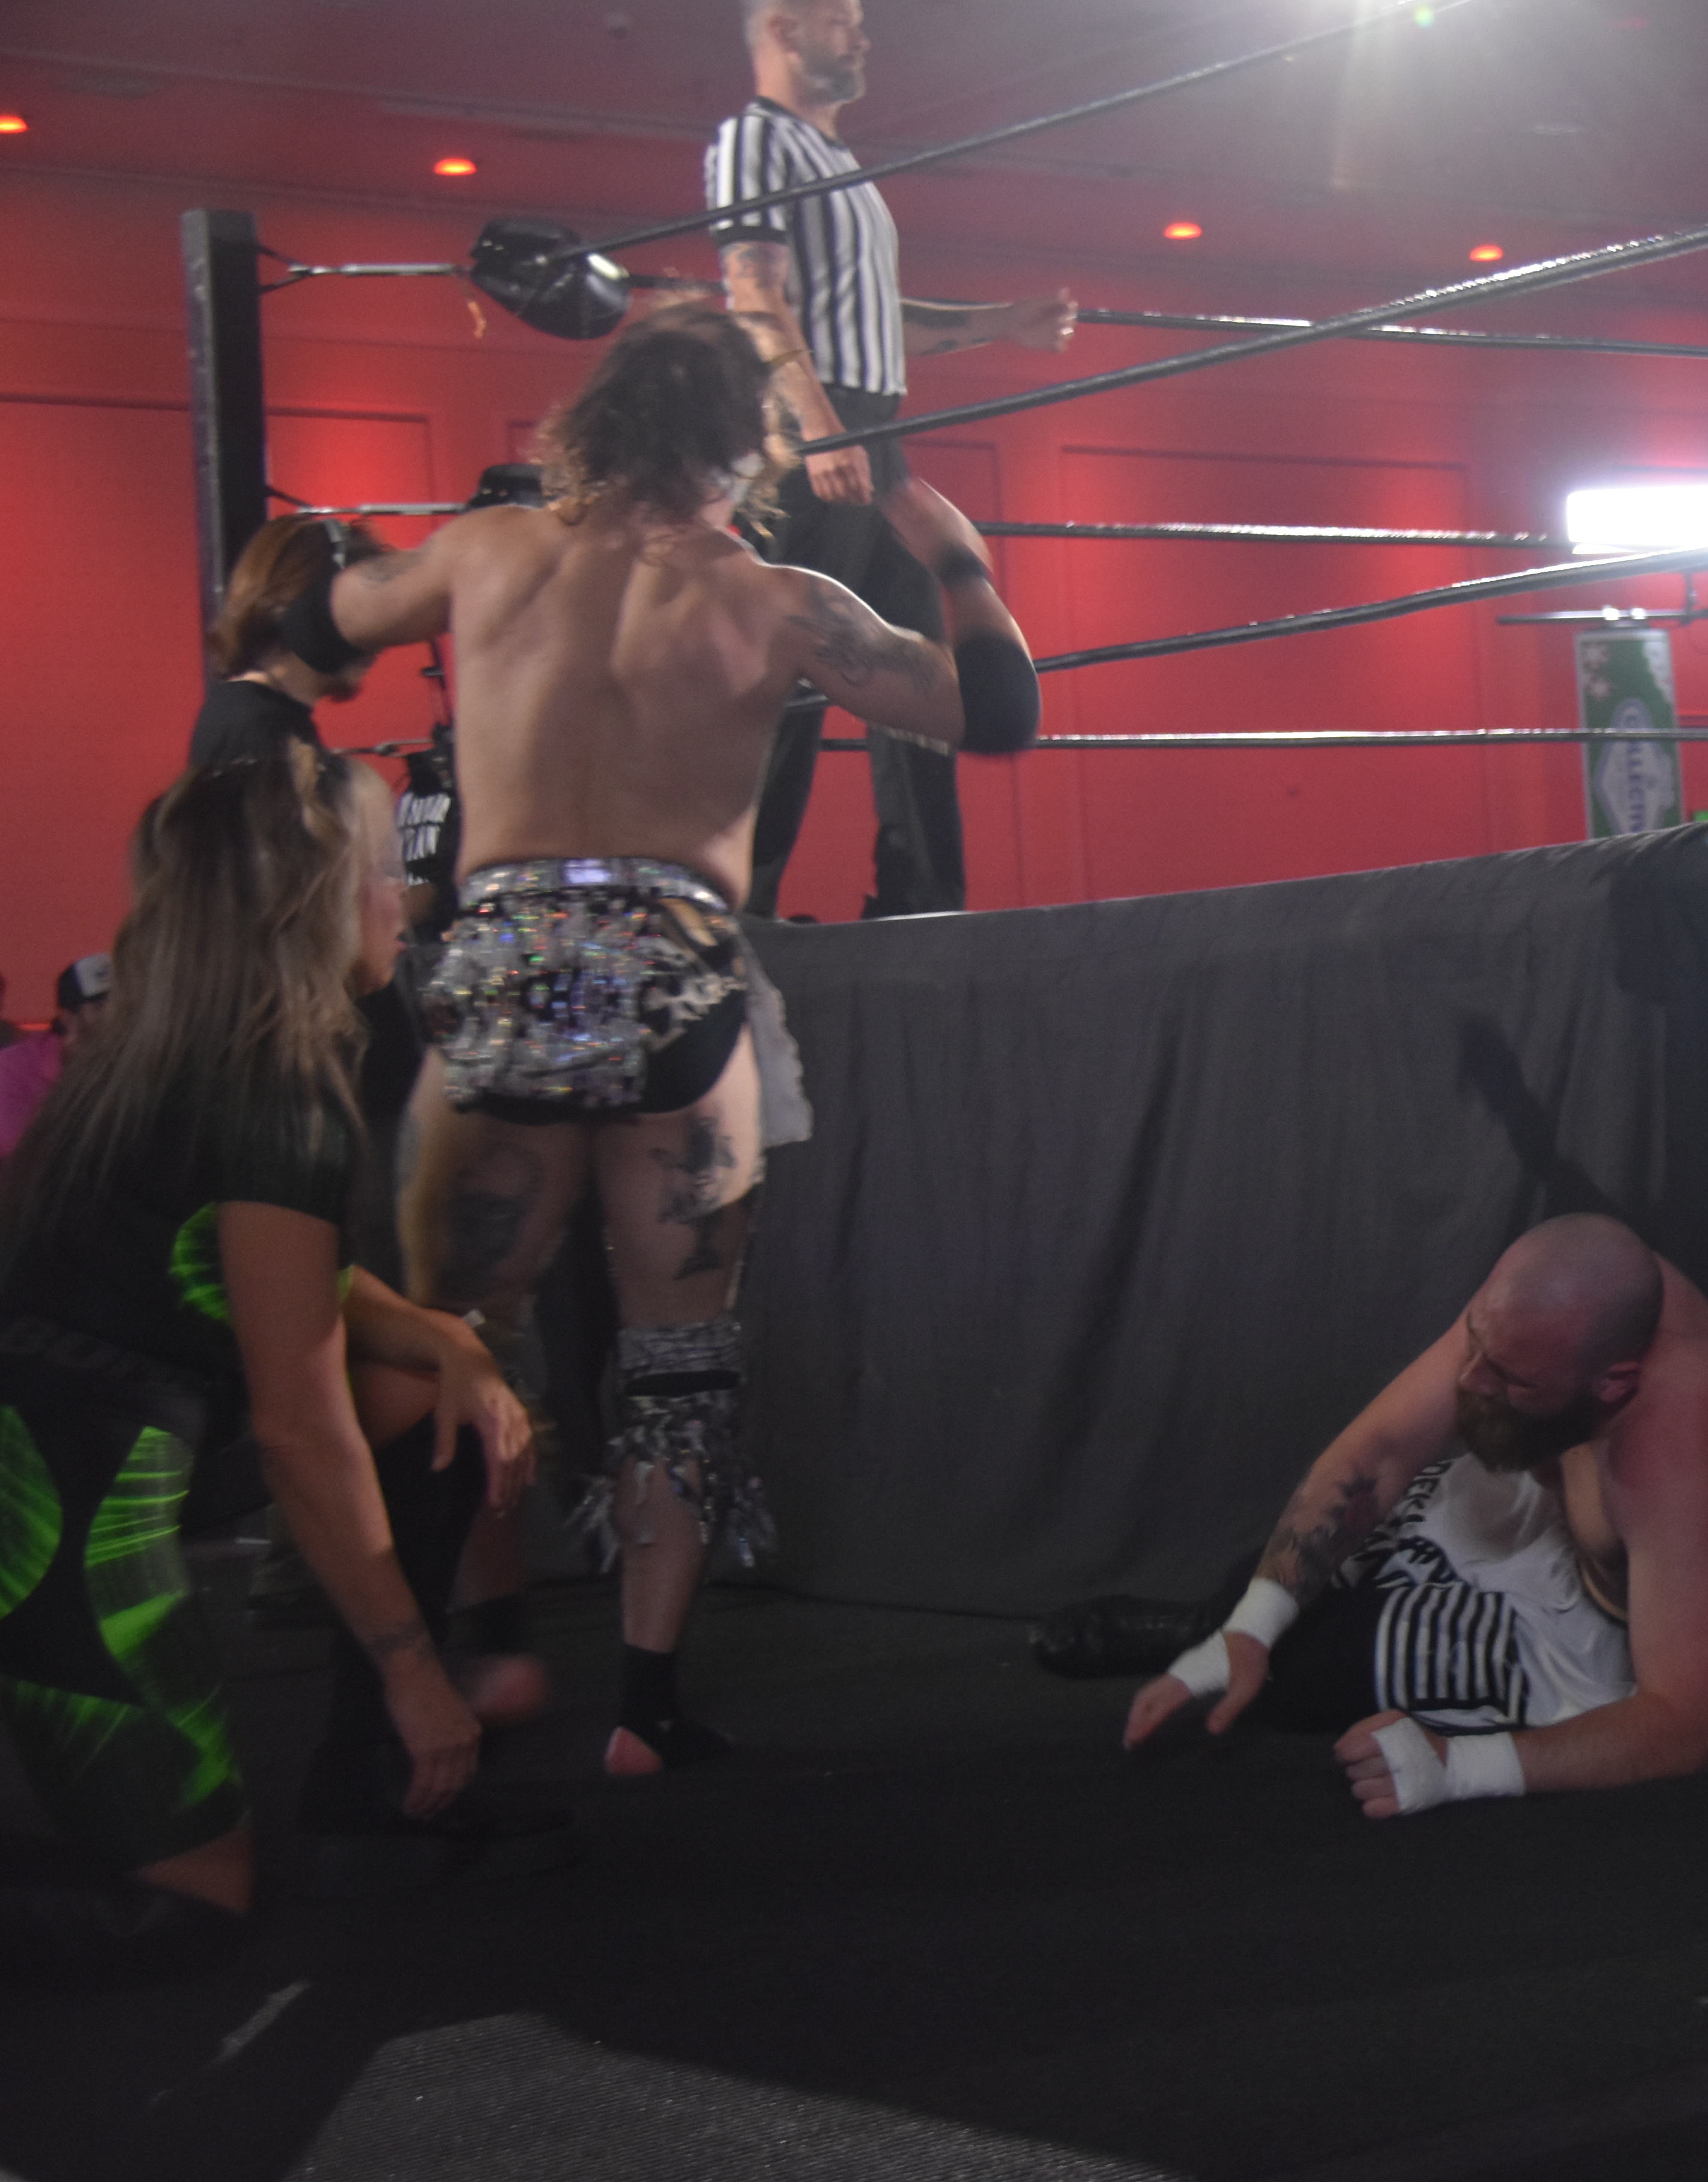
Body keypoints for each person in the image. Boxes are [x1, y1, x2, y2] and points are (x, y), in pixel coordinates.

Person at [283, 303, 1042, 1776]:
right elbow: (997, 711)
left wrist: (322, 576)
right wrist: (956, 556)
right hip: (673, 977)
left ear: (601, 419)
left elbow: (325, 621)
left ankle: (473, 1655)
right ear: (740, 444)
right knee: (679, 1359)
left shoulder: (492, 551)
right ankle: (644, 1705)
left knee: (452, 1335)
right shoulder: (777, 598)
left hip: (504, 966)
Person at [0, 749, 552, 1977]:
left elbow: (270, 1275)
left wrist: (444, 1337)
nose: (402, 902)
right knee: (190, 1905)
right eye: (383, 873)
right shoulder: (275, 1095)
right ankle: (380, 1761)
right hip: (57, 1503)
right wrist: (415, 1669)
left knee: (424, 1390)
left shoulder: (161, 1056)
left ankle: (368, 1795)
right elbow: (304, 1434)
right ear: (318, 901)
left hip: (84, 1448)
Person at [1111, 1216, 1708, 1820]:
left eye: (1511, 1378)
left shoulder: (1682, 1442)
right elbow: (1383, 1451)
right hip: (1553, 1501)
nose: (1468, 1381)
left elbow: (1685, 1725)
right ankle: (1206, 1630)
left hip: (1620, 1628)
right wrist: (1252, 1625)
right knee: (1267, 1586)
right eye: (1477, 1345)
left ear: (1613, 1383)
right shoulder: (1550, 1302)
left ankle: (1199, 1638)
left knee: (1306, 1673)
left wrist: (1459, 1768)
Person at [711, 0, 1079, 918]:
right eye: (839, 21)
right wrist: (818, 427)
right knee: (795, 659)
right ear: (784, 31)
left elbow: (873, 318)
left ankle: (923, 899)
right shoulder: (755, 140)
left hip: (873, 430)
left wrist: (1000, 323)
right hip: (814, 432)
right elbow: (755, 295)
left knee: (919, 665)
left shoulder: (844, 167)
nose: (860, 39)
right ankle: (745, 906)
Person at [188, 515, 388, 767]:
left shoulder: (257, 714)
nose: (375, 640)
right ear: (309, 608)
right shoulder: (258, 727)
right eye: (355, 610)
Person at [0, 953, 106, 1160]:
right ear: (69, 1018)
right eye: (101, 1006)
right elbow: (20, 1154)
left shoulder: (143, 1069)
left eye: (125, 1004)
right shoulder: (14, 1068)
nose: (117, 1015)